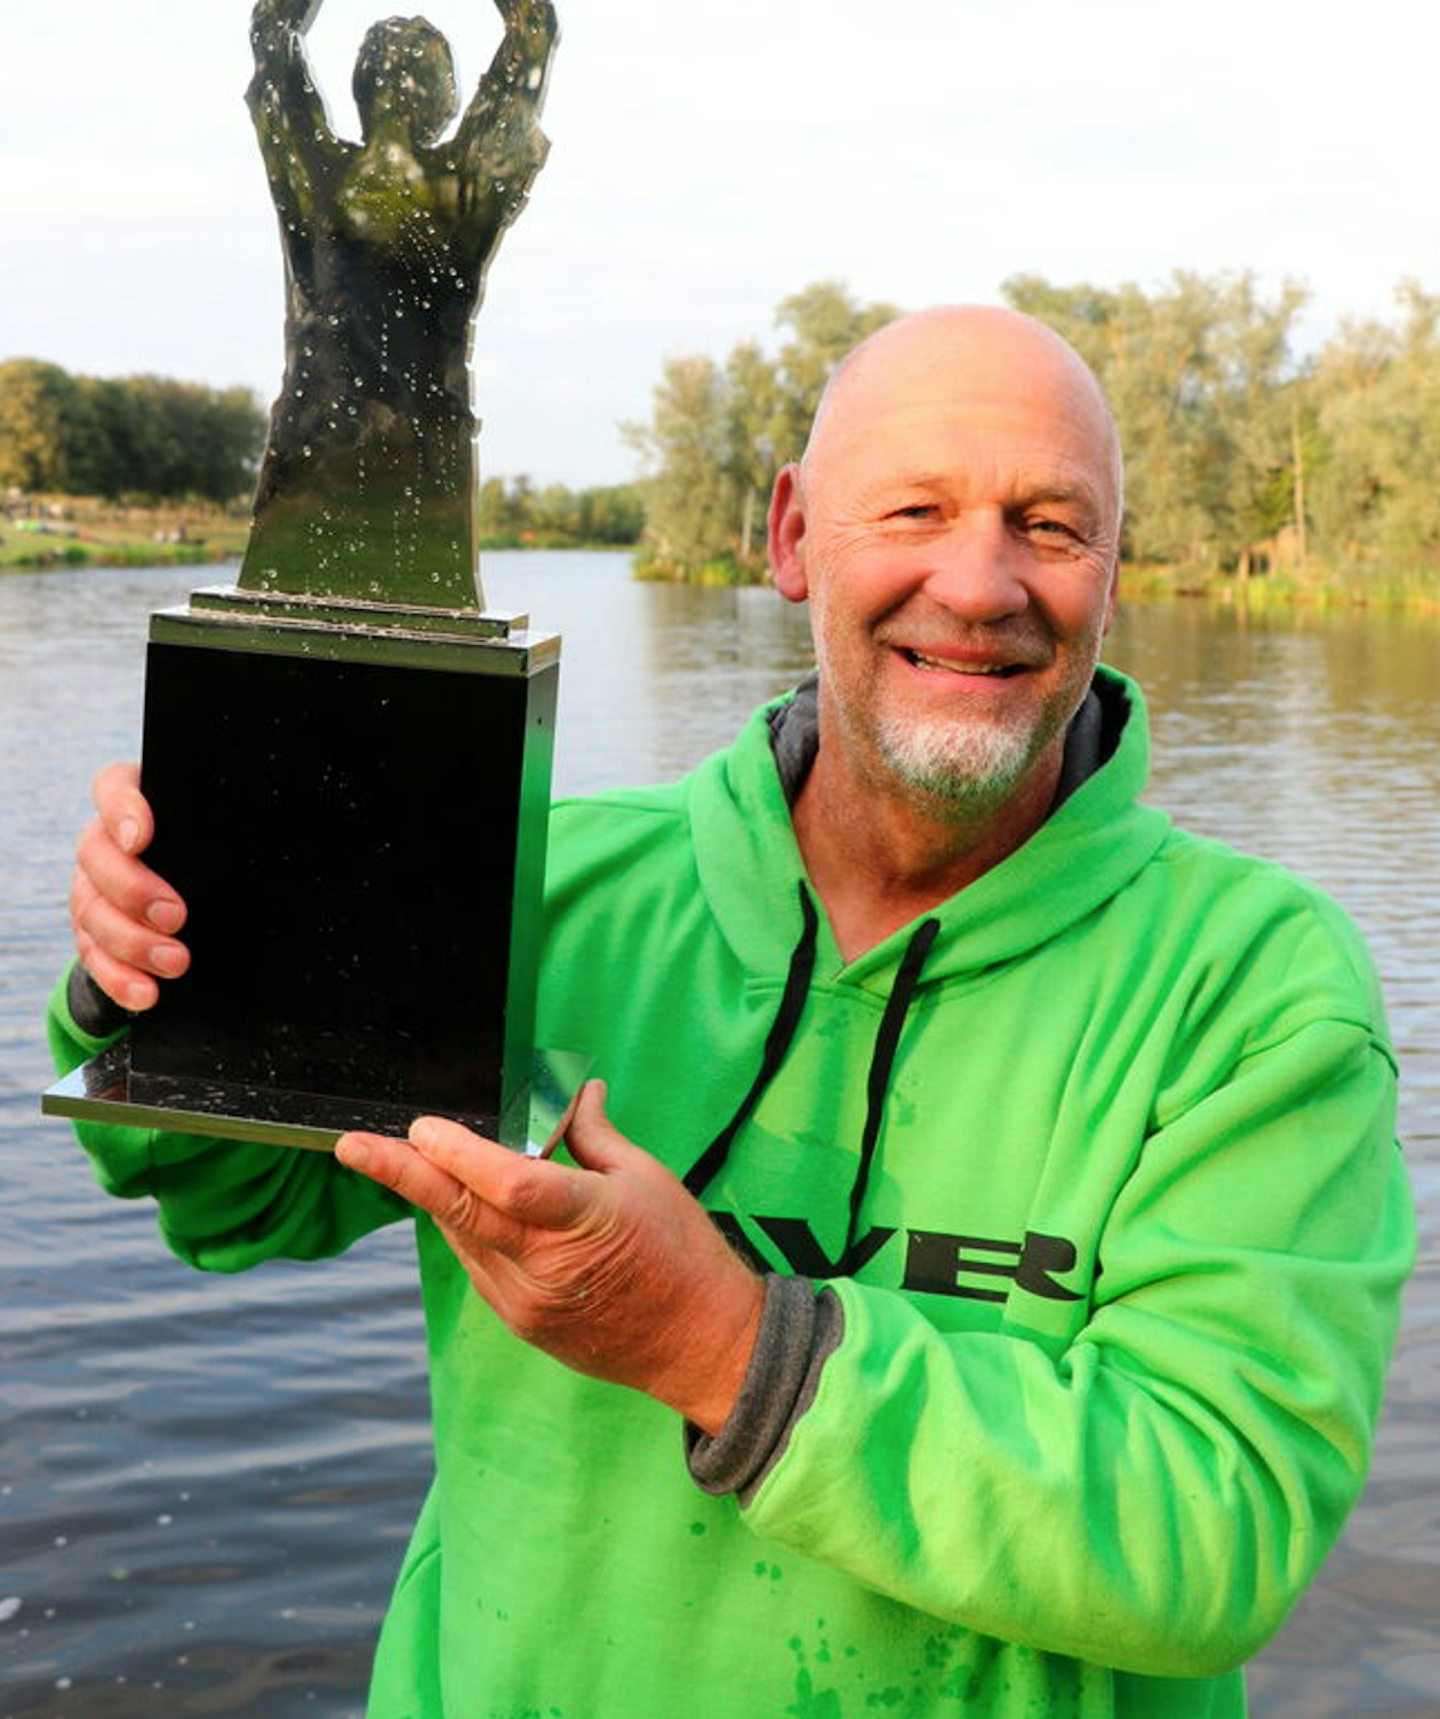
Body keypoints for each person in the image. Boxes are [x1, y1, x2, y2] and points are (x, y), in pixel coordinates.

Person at [54, 306, 1413, 1718]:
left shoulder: (1255, 986)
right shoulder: (549, 885)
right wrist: (149, 968)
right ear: (790, 537)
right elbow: (228, 1196)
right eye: (914, 508)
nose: (980, 578)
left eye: (1051, 524)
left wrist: (718, 1342)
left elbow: (1208, 1538)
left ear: (1114, 573)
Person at [238, 0, 557, 609]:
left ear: (360, 83)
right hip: (423, 483)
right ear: (451, 100)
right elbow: (533, 25)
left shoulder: (315, 175)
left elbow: (274, 28)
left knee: (270, 668)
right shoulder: (465, 188)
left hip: (312, 473)